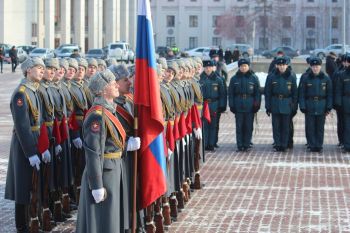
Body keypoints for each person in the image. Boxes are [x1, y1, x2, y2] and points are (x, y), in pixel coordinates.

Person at [76, 69, 140, 233]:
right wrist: (96, 185)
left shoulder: (109, 110)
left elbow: (113, 143)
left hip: (114, 170)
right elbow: (93, 153)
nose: (116, 86)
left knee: (112, 221)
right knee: (103, 222)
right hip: (104, 174)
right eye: (112, 84)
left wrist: (127, 146)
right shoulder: (97, 116)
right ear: (104, 89)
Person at [4, 57, 46, 233]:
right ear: (28, 70)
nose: (42, 71)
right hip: (24, 146)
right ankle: (22, 226)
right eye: (38, 68)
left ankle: (33, 220)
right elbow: (22, 126)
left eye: (43, 68)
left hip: (35, 141)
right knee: (22, 187)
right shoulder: (21, 93)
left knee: (33, 185)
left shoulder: (34, 90)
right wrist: (30, 152)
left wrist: (41, 147)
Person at [299, 57, 332, 152]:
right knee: (310, 126)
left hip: (322, 105)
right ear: (310, 66)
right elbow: (302, 94)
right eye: (313, 66)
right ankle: (312, 145)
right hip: (309, 105)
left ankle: (319, 145)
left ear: (320, 66)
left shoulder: (326, 78)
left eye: (317, 66)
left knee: (320, 127)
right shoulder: (306, 78)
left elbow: (330, 94)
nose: (315, 68)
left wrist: (329, 107)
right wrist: (302, 106)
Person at [265, 56, 298, 152]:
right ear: (276, 66)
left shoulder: (291, 76)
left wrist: (294, 106)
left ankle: (284, 144)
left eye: (283, 65)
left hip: (287, 104)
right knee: (276, 126)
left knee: (285, 126)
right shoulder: (271, 76)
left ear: (287, 65)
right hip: (275, 103)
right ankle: (277, 144)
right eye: (280, 65)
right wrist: (268, 106)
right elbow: (268, 92)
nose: (282, 67)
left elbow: (295, 93)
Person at [228, 58, 261, 152]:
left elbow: (257, 93)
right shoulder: (234, 78)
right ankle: (240, 144)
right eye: (241, 66)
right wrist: (232, 105)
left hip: (250, 105)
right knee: (239, 126)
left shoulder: (253, 78)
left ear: (248, 66)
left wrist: (256, 105)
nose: (243, 68)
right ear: (239, 67)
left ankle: (246, 144)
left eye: (245, 66)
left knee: (248, 126)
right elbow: (231, 93)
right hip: (238, 104)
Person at [199, 60, 226, 151]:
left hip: (214, 104)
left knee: (213, 125)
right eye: (206, 67)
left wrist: (222, 106)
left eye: (210, 67)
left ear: (213, 68)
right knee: (204, 125)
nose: (208, 69)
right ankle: (205, 143)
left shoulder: (218, 79)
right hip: (204, 105)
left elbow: (222, 94)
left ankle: (212, 143)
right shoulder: (200, 79)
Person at [334, 54, 350, 152]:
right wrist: (338, 104)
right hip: (346, 102)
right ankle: (347, 145)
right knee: (347, 125)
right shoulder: (342, 74)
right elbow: (338, 90)